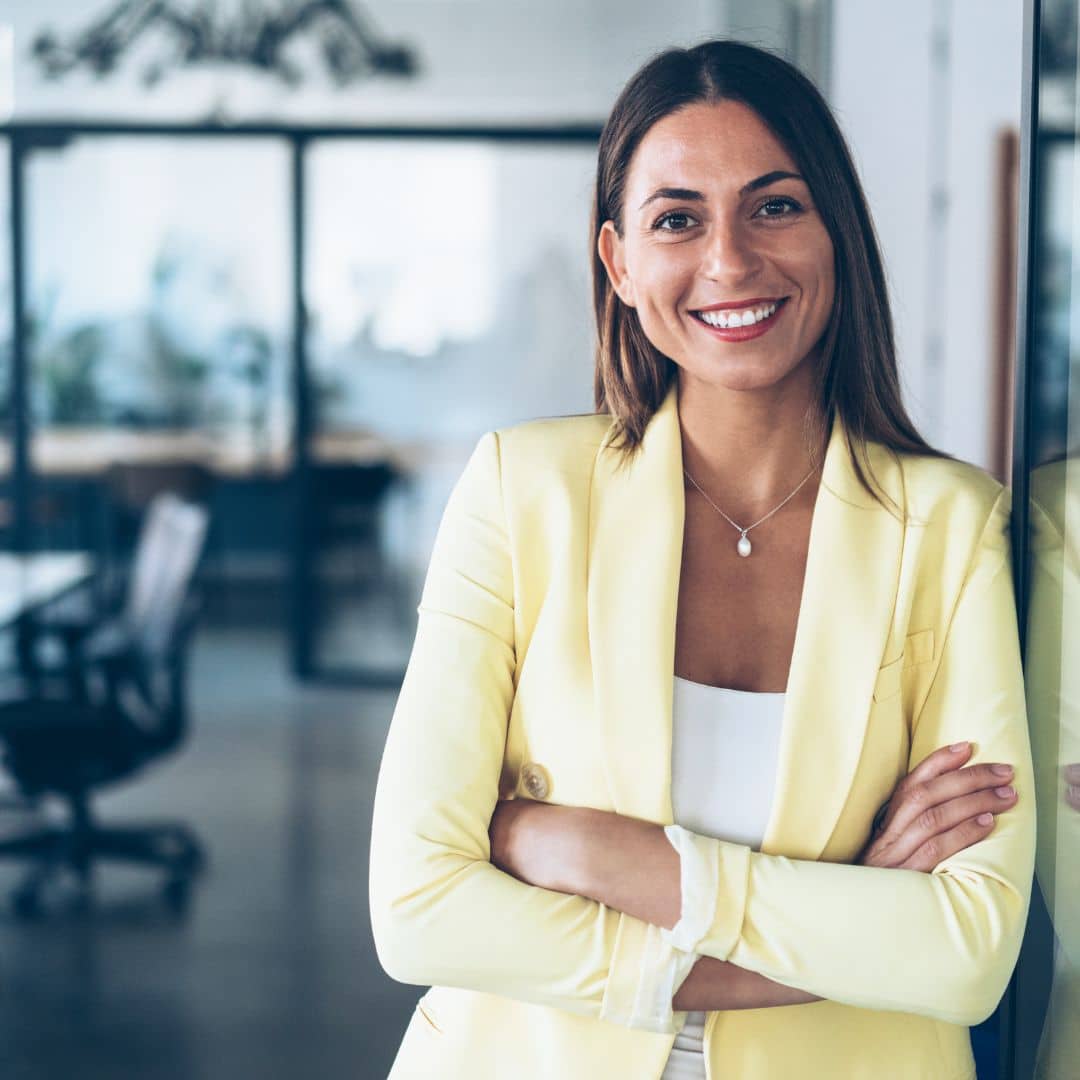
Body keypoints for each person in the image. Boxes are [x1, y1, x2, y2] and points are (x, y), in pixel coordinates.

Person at [369, 39, 1035, 1079]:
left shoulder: (953, 527)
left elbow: (967, 954)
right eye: (678, 218)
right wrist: (848, 915)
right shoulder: (520, 491)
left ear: (838, 237)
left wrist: (602, 856)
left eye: (775, 206)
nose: (729, 260)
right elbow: (417, 912)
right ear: (620, 263)